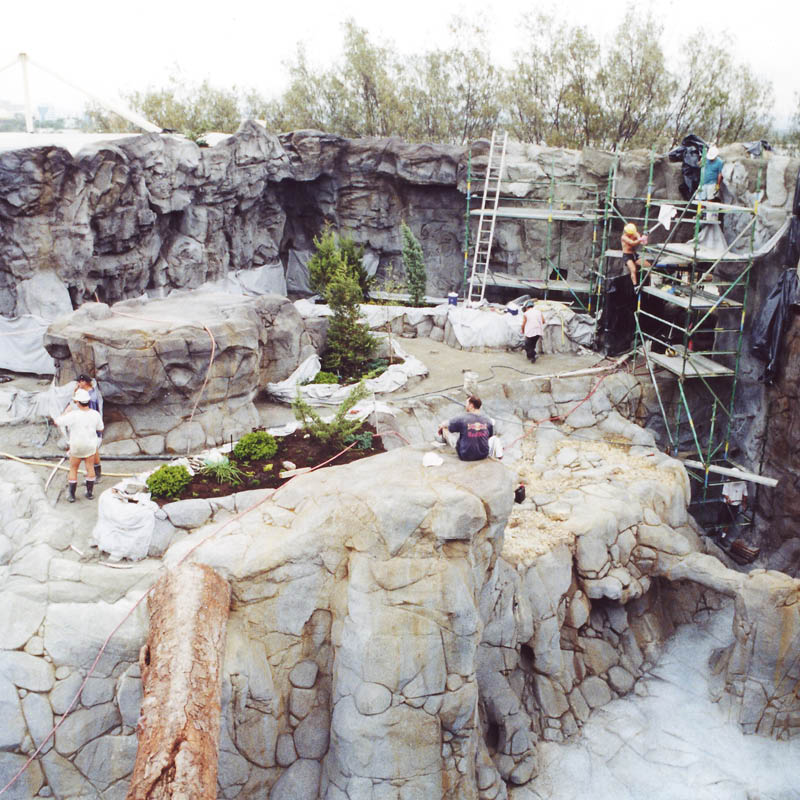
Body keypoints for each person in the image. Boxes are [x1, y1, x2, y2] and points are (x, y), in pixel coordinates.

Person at [54, 388, 104, 502]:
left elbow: (57, 421)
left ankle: (72, 495)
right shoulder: (95, 414)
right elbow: (101, 428)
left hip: (76, 446)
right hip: (90, 445)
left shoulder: (73, 415)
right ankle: (89, 493)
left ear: (77, 402)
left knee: (73, 468)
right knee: (90, 467)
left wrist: (66, 412)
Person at [437, 396, 500, 461]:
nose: (465, 406)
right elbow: (489, 436)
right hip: (483, 455)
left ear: (471, 405)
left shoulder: (462, 418)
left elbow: (447, 423)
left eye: (466, 404)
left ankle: (443, 441)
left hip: (465, 456)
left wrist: (441, 426)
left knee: (445, 427)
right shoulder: (488, 420)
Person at [76, 373, 104, 482]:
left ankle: (94, 475)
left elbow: (89, 412)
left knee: (91, 451)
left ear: (84, 382)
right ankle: (95, 473)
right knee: (93, 450)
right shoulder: (88, 392)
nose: (78, 384)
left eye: (79, 382)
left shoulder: (91, 397)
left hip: (91, 427)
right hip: (92, 425)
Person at [620, 222, 649, 287]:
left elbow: (642, 242)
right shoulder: (624, 237)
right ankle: (635, 286)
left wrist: (644, 238)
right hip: (627, 255)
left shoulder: (635, 233)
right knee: (633, 269)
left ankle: (651, 282)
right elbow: (632, 243)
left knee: (648, 265)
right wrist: (641, 239)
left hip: (634, 255)